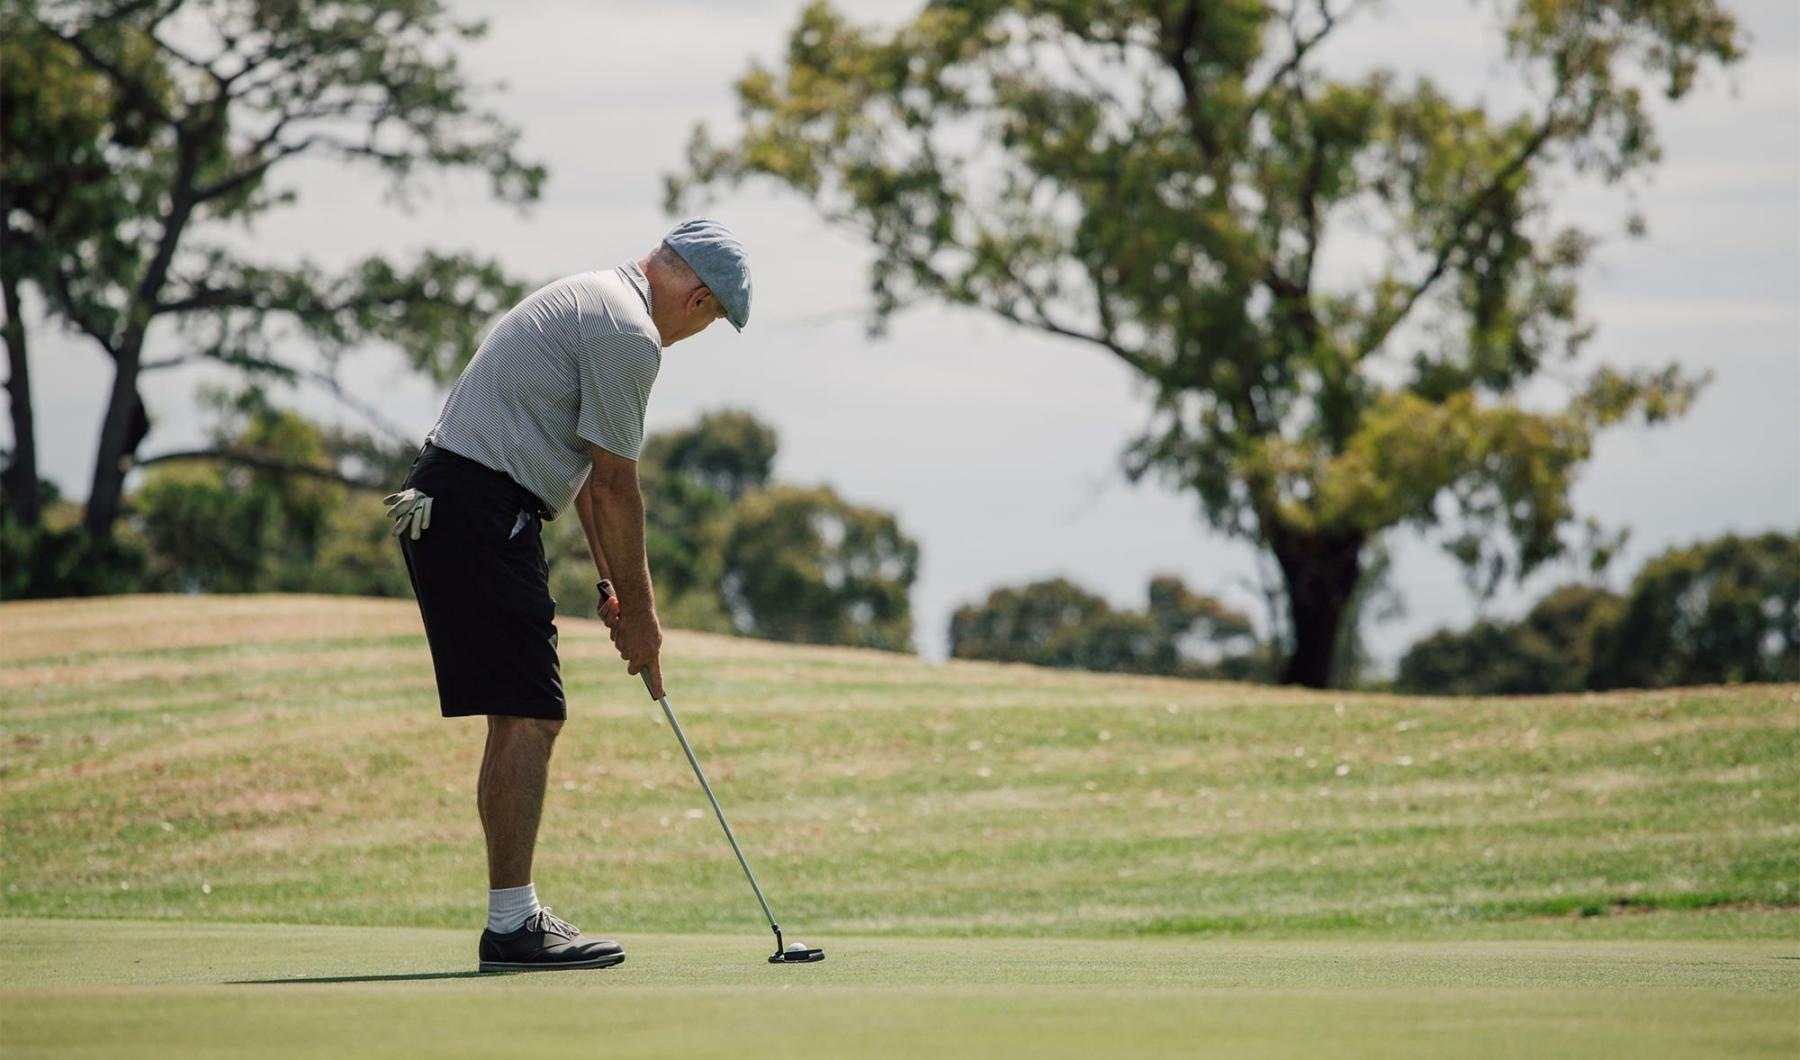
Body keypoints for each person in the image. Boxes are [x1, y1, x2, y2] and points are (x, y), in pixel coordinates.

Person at [383, 219, 751, 972]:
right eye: (711, 319)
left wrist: (614, 586)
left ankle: (511, 920)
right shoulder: (630, 333)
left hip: (465, 505)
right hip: (479, 510)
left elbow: (585, 475)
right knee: (531, 716)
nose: (700, 330)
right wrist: (646, 624)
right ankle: (513, 927)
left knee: (522, 715)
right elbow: (618, 488)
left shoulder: (598, 298)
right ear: (699, 296)